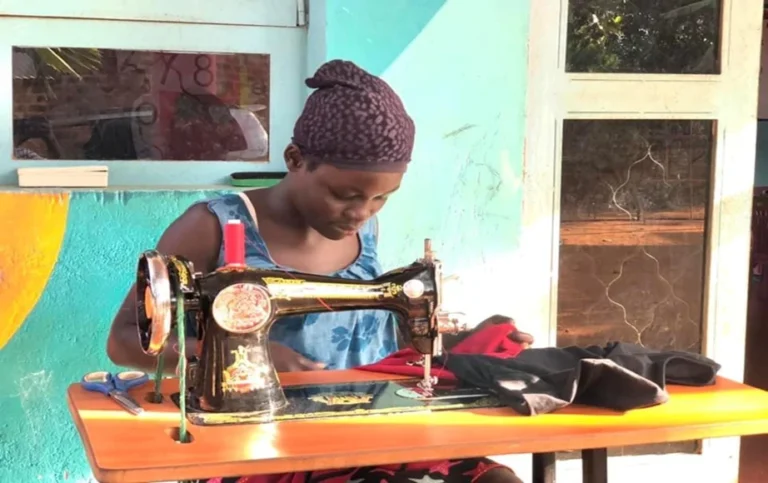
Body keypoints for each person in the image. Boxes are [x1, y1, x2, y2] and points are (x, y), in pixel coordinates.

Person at [107, 59, 531, 483]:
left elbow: (375, 328)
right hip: (256, 444)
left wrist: (465, 342)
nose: (361, 213)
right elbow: (124, 340)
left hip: (370, 432)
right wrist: (237, 360)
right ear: (295, 159)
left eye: (382, 198)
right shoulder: (211, 226)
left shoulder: (366, 232)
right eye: (344, 195)